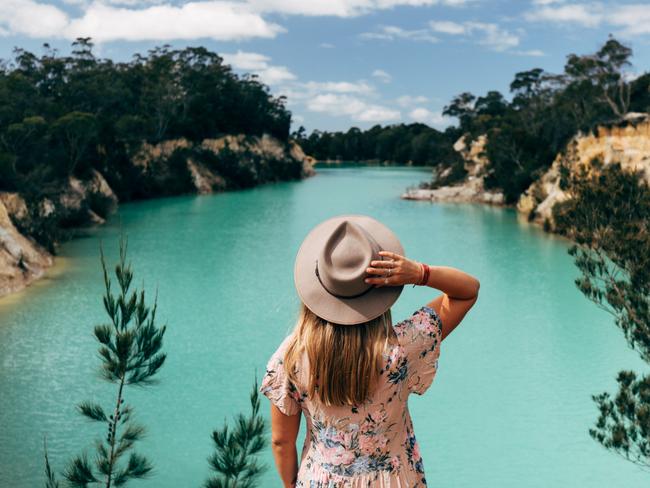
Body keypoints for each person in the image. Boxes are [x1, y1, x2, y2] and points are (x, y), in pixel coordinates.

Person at [260, 214, 480, 487]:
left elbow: (281, 441)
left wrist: (293, 484)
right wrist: (419, 273)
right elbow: (467, 291)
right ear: (381, 295)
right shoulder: (403, 347)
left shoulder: (289, 358)